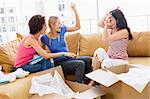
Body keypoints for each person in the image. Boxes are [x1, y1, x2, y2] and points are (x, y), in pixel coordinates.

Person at [40, 4, 92, 83]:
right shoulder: (45, 38)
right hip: (59, 63)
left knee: (88, 60)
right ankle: (79, 86)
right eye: (59, 23)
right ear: (52, 25)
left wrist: (75, 10)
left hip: (69, 59)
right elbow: (40, 52)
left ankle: (88, 82)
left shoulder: (62, 30)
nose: (61, 25)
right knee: (80, 64)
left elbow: (78, 27)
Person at [88, 9, 133, 86]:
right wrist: (107, 14)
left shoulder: (124, 31)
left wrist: (106, 25)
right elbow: (99, 24)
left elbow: (104, 39)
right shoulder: (112, 29)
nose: (109, 22)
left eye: (111, 20)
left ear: (117, 20)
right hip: (110, 58)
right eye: (109, 20)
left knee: (106, 62)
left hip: (120, 61)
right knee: (99, 51)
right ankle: (94, 79)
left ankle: (95, 81)